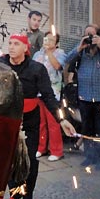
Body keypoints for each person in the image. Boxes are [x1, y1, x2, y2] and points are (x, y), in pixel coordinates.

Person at [0, 34, 76, 199]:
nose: (11, 47)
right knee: (9, 162)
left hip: (30, 122)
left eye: (16, 44)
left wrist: (62, 119)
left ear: (25, 48)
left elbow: (49, 97)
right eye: (9, 43)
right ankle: (15, 195)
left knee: (30, 162)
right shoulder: (0, 63)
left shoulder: (37, 68)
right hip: (8, 120)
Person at [63, 25, 100, 168]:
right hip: (84, 97)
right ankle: (89, 156)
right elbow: (65, 60)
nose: (90, 38)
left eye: (92, 35)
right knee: (87, 130)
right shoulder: (81, 51)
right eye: (87, 35)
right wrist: (79, 47)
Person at [32, 32, 67, 161]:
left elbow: (58, 66)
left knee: (53, 122)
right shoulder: (37, 54)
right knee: (41, 122)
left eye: (52, 40)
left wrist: (49, 53)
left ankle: (57, 151)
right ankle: (42, 148)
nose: (48, 41)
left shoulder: (60, 53)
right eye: (47, 39)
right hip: (38, 91)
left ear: (56, 43)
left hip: (53, 93)